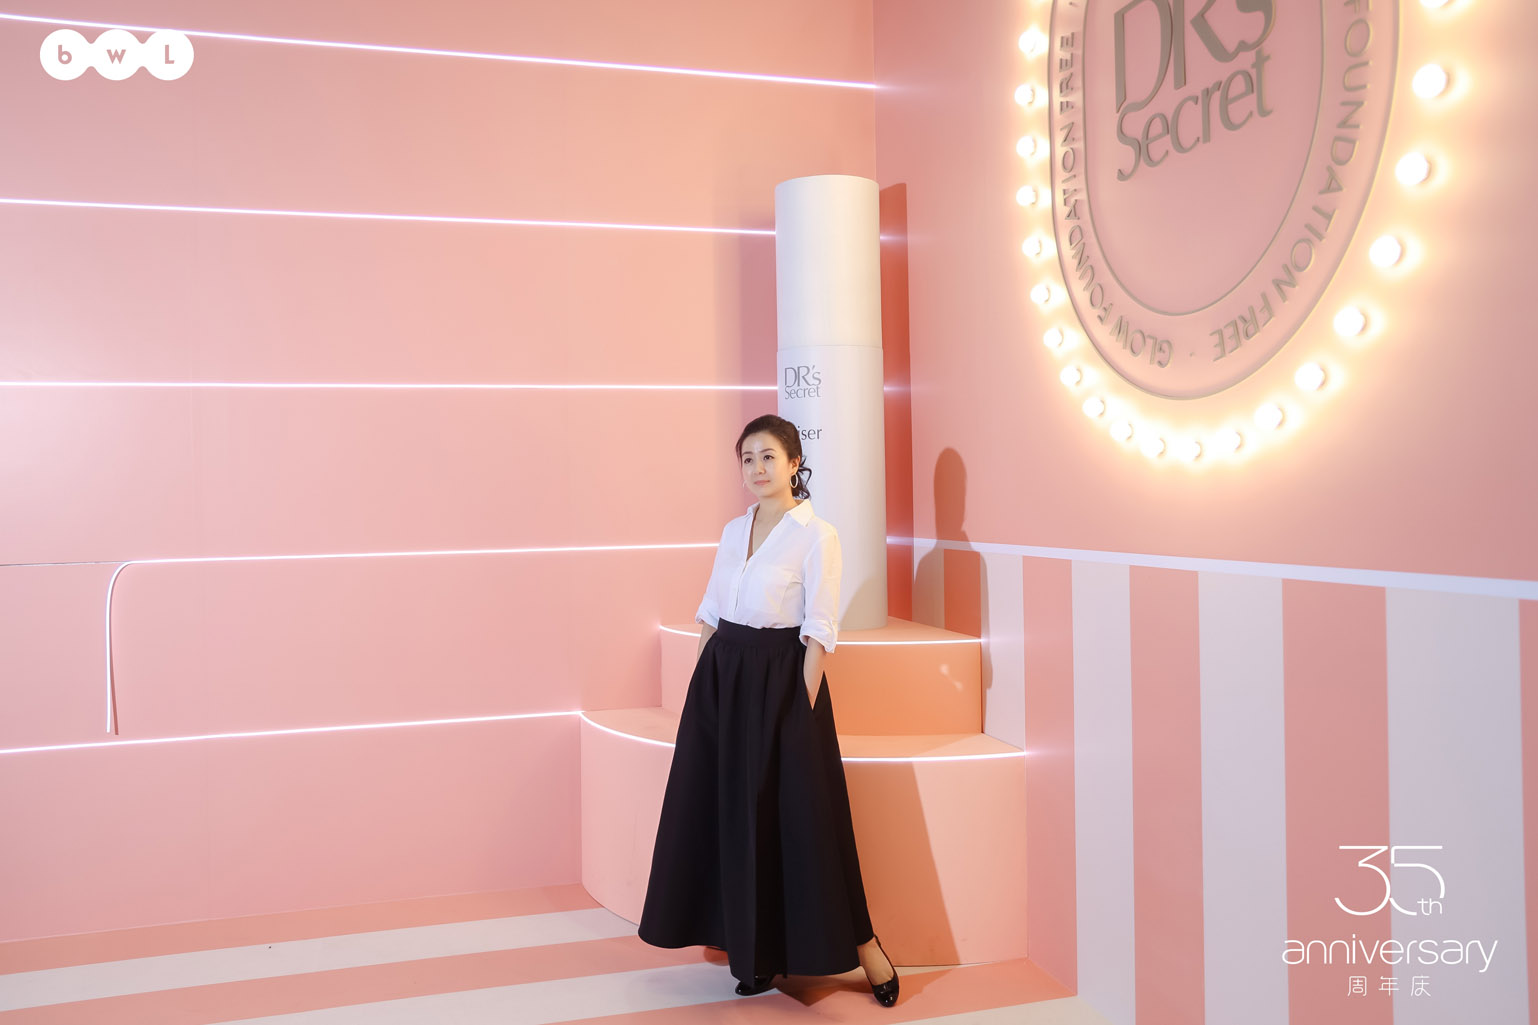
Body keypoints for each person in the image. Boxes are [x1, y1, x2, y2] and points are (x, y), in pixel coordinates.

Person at [636, 414, 899, 1006]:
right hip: (722, 678)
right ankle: (752, 954)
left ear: (795, 464)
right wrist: (700, 690)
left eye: (769, 457)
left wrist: (799, 710)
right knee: (730, 815)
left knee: (805, 821)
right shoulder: (735, 530)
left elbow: (819, 630)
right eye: (748, 458)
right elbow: (711, 611)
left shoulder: (818, 535)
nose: (757, 468)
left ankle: (867, 948)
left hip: (783, 682)